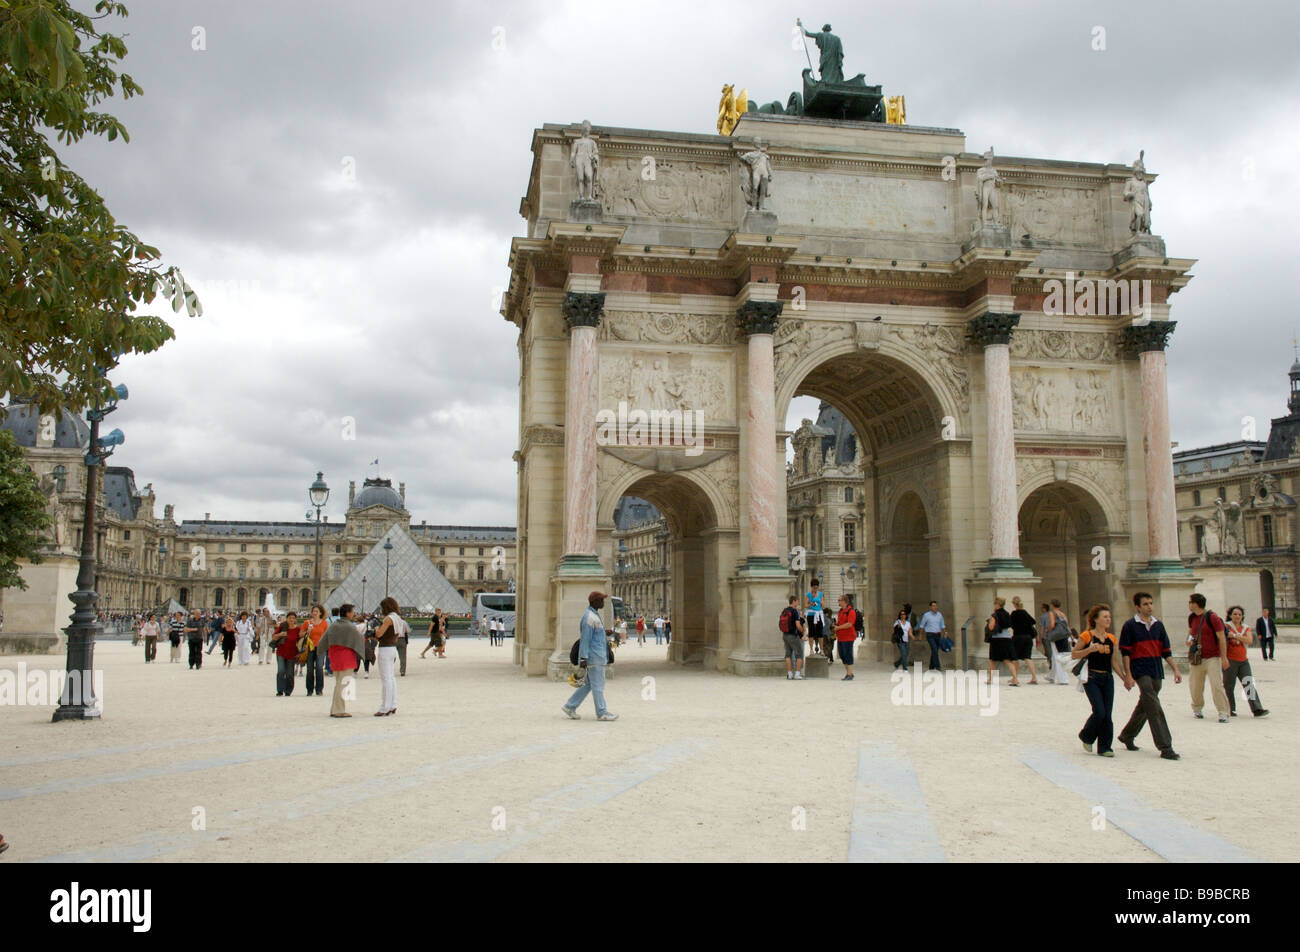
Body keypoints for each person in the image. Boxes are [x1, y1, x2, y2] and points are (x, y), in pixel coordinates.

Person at [1116, 592, 1182, 760]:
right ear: (1137, 607)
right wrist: (1128, 675)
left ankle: (1127, 735)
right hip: (1140, 669)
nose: (1149, 606)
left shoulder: (1158, 625)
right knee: (1153, 706)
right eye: (1145, 604)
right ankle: (1165, 746)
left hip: (1156, 669)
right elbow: (1125, 653)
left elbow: (1166, 650)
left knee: (1146, 703)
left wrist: (1175, 669)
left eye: (1151, 603)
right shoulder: (1130, 626)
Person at [1072, 604, 1132, 757]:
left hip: (1107, 678)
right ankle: (1086, 736)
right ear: (1096, 619)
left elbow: (1114, 661)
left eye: (1109, 617)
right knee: (1099, 711)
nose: (1108, 619)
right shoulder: (1086, 636)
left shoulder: (1111, 638)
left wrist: (1125, 678)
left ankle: (1105, 747)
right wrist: (1088, 650)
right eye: (1105, 617)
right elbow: (1074, 654)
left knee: (1108, 714)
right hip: (1091, 677)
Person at [562, 591, 618, 721]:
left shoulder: (593, 615)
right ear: (595, 602)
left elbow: (593, 635)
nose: (603, 602)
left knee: (589, 685)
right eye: (601, 600)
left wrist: (604, 633)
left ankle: (570, 706)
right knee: (598, 685)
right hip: (595, 657)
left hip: (596, 655)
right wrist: (583, 658)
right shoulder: (589, 617)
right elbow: (585, 639)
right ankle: (602, 712)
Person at [1186, 594, 1230, 723]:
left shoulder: (1212, 617)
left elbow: (1222, 638)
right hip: (1197, 657)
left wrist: (1224, 658)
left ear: (1196, 604)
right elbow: (1190, 633)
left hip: (1212, 657)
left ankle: (1223, 712)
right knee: (1195, 685)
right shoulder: (1191, 618)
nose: (1188, 604)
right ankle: (1197, 708)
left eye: (1190, 602)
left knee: (1216, 685)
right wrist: (1189, 641)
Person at [318, 605, 365, 717]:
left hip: (334, 657)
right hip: (346, 657)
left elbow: (323, 641)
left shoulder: (334, 625)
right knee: (343, 684)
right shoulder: (350, 626)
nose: (354, 614)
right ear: (348, 613)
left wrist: (320, 651)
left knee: (339, 683)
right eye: (353, 612)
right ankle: (339, 710)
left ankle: (334, 709)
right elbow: (360, 640)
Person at [1223, 606, 1268, 718]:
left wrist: (1234, 635)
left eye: (1239, 614)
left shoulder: (1245, 627)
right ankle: (1230, 709)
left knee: (1249, 684)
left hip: (1243, 661)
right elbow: (1224, 637)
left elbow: (1249, 640)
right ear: (1230, 615)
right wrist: (1240, 637)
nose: (1237, 616)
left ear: (1242, 616)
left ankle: (1257, 708)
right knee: (1228, 686)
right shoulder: (1226, 626)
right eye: (1235, 614)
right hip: (1230, 660)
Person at [371, 597, 407, 716]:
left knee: (386, 679)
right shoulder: (399, 619)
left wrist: (376, 629)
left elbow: (379, 634)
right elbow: (397, 636)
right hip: (392, 648)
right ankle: (393, 705)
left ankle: (384, 707)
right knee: (391, 678)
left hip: (385, 649)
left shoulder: (388, 619)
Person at [1009, 596, 1040, 685]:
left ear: (1014, 604)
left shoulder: (1014, 613)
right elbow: (1033, 621)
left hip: (1018, 637)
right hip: (1028, 638)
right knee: (1027, 657)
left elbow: (1010, 624)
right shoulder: (1025, 612)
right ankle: (1034, 677)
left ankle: (1015, 677)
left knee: (1015, 658)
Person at [1041, 600, 1073, 685]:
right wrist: (1071, 636)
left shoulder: (1052, 613)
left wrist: (1047, 631)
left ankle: (1063, 679)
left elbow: (1052, 624)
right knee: (1059, 656)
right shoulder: (1063, 614)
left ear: (1052, 605)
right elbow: (1067, 625)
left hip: (1056, 637)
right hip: (1064, 636)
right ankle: (1051, 675)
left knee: (1057, 656)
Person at [985, 597, 1016, 685]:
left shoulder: (994, 615)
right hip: (1007, 638)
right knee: (1007, 660)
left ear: (997, 604)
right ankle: (1015, 678)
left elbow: (991, 627)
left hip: (997, 639)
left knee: (992, 660)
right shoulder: (1007, 614)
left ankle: (990, 679)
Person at [300, 604, 328, 696]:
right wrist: (307, 631)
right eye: (313, 611)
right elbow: (300, 634)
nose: (314, 613)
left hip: (320, 648)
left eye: (316, 611)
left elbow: (326, 636)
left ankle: (319, 689)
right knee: (310, 669)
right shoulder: (307, 623)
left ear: (320, 613)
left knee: (319, 668)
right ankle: (309, 689)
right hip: (309, 648)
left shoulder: (324, 623)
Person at [273, 611, 301, 696]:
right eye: (290, 618)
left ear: (295, 619)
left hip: (292, 654)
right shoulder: (282, 627)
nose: (291, 620)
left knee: (289, 673)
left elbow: (301, 641)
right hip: (281, 652)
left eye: (293, 618)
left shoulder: (297, 629)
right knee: (281, 671)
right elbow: (273, 637)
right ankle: (280, 690)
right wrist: (280, 634)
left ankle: (288, 691)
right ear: (287, 619)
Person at [780, 595, 806, 680]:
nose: (798, 603)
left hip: (785, 635)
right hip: (793, 635)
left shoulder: (785, 610)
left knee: (788, 655)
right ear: (794, 601)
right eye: (797, 601)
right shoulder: (795, 611)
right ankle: (797, 674)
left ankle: (789, 673)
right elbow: (798, 625)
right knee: (799, 654)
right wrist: (802, 631)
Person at [918, 601, 947, 671]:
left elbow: (942, 624)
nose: (935, 607)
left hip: (938, 635)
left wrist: (945, 632)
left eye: (936, 606)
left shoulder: (939, 614)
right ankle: (938, 666)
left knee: (935, 651)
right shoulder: (926, 615)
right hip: (930, 635)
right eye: (933, 606)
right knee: (934, 650)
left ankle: (931, 666)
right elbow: (922, 625)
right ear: (930, 607)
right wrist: (920, 635)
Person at [835, 594, 856, 680]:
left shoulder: (851, 611)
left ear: (845, 601)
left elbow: (849, 624)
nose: (838, 602)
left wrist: (838, 627)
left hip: (848, 637)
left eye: (839, 600)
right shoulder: (840, 611)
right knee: (843, 656)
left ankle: (849, 674)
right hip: (841, 637)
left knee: (848, 655)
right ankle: (849, 673)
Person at [804, 579, 826, 659]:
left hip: (819, 613)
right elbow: (805, 605)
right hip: (811, 614)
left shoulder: (820, 594)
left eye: (816, 588)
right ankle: (811, 649)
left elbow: (823, 605)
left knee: (820, 632)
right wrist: (811, 603)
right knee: (811, 631)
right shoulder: (808, 594)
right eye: (814, 588)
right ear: (811, 587)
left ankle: (822, 649)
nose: (815, 589)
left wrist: (822, 603)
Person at [395, 608, 409, 675]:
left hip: (393, 640)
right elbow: (407, 631)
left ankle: (389, 670)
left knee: (391, 656)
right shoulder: (404, 622)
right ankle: (402, 671)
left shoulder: (392, 622)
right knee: (402, 656)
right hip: (402, 639)